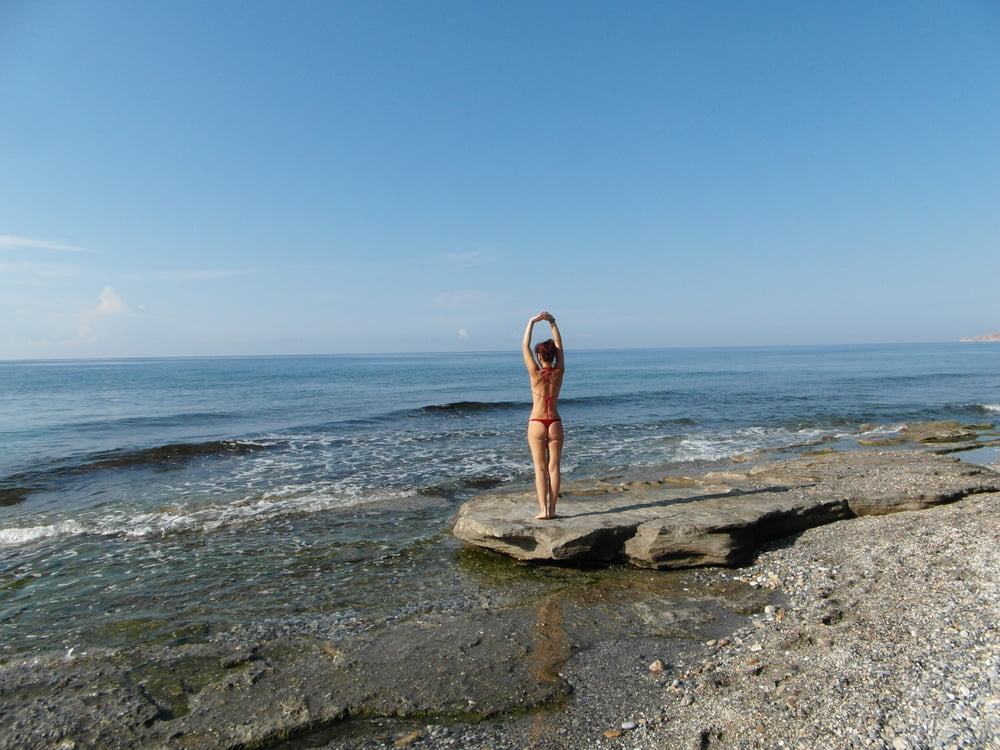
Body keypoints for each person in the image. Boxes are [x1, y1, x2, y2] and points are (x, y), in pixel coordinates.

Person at [522, 311, 564, 519]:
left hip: (537, 421)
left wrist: (531, 322)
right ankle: (554, 510)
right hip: (554, 420)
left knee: (540, 469)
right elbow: (559, 344)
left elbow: (524, 346)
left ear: (539, 356)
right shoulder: (559, 372)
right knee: (554, 467)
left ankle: (543, 510)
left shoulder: (534, 373)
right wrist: (552, 323)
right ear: (554, 356)